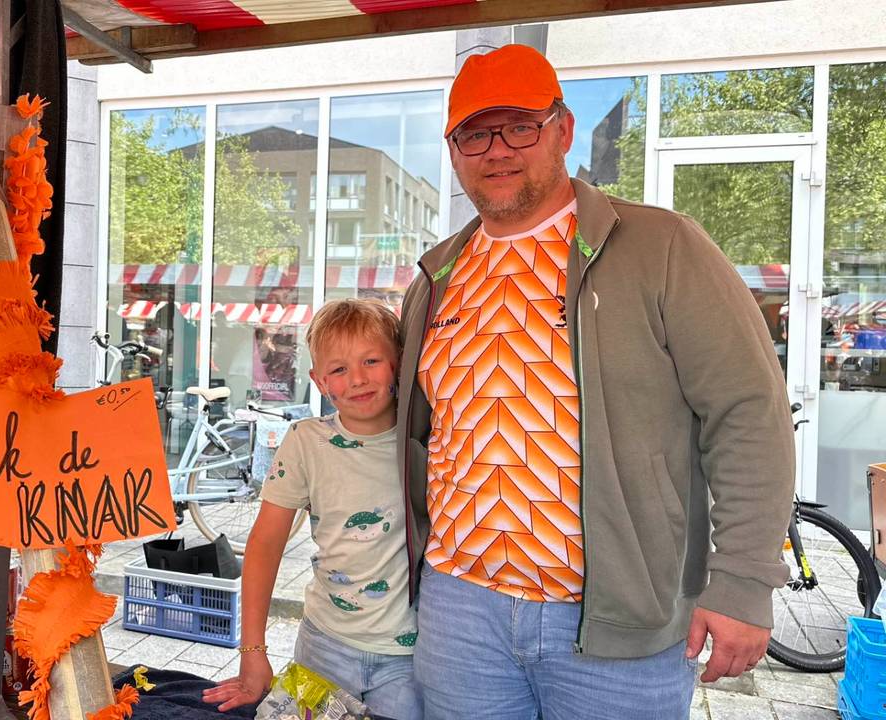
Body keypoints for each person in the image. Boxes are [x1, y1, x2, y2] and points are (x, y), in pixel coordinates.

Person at [397, 44, 795, 719]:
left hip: (618, 625)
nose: (497, 149)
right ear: (454, 148)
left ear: (563, 128)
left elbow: (749, 413)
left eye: (519, 125)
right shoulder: (437, 275)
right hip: (459, 612)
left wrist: (744, 581)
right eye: (474, 132)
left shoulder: (662, 247)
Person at [205, 298, 421, 720]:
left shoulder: (428, 442)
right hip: (323, 645)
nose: (357, 379)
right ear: (320, 382)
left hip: (410, 660)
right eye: (339, 369)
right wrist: (252, 652)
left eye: (372, 361)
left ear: (399, 363)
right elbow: (265, 544)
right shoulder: (304, 441)